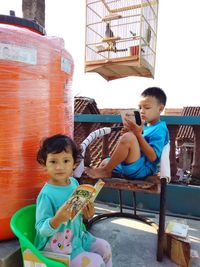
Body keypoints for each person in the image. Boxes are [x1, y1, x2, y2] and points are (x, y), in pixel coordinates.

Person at [34, 134, 112, 267]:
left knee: (105, 247)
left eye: (66, 161)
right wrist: (57, 219)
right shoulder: (47, 194)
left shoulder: (74, 183)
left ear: (74, 163)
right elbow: (41, 229)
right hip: (58, 247)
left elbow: (77, 213)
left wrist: (87, 213)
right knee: (96, 262)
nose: (60, 167)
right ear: (44, 163)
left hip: (78, 237)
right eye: (53, 161)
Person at [85, 87, 169, 179]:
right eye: (140, 107)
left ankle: (106, 171)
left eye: (147, 108)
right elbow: (138, 145)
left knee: (128, 138)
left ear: (160, 109)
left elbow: (153, 157)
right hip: (132, 164)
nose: (142, 111)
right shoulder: (144, 126)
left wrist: (135, 135)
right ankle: (105, 175)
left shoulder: (160, 129)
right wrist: (132, 134)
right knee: (105, 161)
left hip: (142, 170)